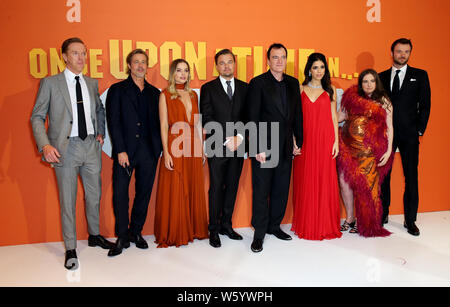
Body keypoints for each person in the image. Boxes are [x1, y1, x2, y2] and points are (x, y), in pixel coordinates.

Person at [30, 37, 114, 270]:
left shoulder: (91, 83)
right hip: (64, 149)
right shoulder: (50, 83)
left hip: (90, 147)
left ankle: (95, 235)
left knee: (94, 195)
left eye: (84, 53)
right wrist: (45, 145)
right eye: (76, 53)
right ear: (65, 57)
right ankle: (70, 248)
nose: (81, 58)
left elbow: (98, 108)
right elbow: (37, 117)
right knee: (67, 200)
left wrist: (100, 132)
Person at [246, 43, 303, 253]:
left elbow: (296, 115)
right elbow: (252, 117)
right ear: (268, 60)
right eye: (275, 57)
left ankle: (274, 226)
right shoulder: (258, 83)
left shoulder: (292, 83)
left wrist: (298, 141)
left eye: (282, 57)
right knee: (261, 191)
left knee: (281, 189)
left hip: (286, 145)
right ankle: (259, 233)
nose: (279, 61)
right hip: (264, 147)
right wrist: (257, 147)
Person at [106, 49, 162, 256]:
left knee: (144, 193)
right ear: (129, 65)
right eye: (136, 62)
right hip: (125, 152)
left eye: (143, 62)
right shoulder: (117, 90)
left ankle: (135, 232)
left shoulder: (155, 93)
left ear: (147, 66)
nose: (140, 66)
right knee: (120, 194)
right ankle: (122, 235)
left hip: (149, 152)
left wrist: (158, 149)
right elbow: (114, 122)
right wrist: (120, 150)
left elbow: (159, 123)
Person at [153, 59, 208, 248]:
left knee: (192, 184)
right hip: (175, 143)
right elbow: (163, 125)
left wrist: (201, 148)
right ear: (172, 73)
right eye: (179, 70)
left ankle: (192, 228)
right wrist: (166, 153)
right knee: (177, 186)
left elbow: (198, 122)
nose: (182, 74)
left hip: (193, 143)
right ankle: (176, 231)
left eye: (186, 70)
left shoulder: (193, 95)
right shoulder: (165, 95)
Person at [379, 38, 431, 236]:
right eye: (399, 51)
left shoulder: (420, 75)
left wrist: (419, 130)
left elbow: (425, 105)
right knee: (384, 176)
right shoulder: (381, 77)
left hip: (409, 134)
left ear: (410, 53)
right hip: (386, 135)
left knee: (411, 177)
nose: (402, 55)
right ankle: (383, 214)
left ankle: (410, 220)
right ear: (391, 53)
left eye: (406, 51)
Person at [200, 49, 248, 248]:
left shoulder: (245, 88)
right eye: (222, 63)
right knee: (216, 188)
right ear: (216, 66)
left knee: (232, 186)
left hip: (238, 145)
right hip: (217, 146)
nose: (227, 66)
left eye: (230, 62)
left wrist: (238, 137)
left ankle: (226, 225)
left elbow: (249, 114)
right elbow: (207, 116)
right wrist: (225, 139)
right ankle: (213, 229)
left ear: (234, 64)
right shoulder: (208, 88)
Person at [291, 52, 342, 241]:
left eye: (322, 67)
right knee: (306, 180)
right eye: (315, 67)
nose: (319, 71)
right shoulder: (300, 88)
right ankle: (307, 223)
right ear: (309, 70)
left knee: (323, 180)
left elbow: (334, 117)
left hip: (325, 140)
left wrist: (336, 141)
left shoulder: (331, 90)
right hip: (306, 139)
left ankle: (324, 224)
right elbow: (294, 117)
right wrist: (294, 139)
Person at [337, 69, 393, 237]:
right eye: (365, 81)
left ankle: (366, 223)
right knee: (344, 182)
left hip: (368, 152)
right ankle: (350, 218)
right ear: (360, 84)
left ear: (376, 83)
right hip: (347, 148)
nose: (368, 85)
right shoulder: (352, 99)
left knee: (367, 187)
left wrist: (389, 150)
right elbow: (339, 117)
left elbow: (390, 127)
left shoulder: (384, 102)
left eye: (372, 81)